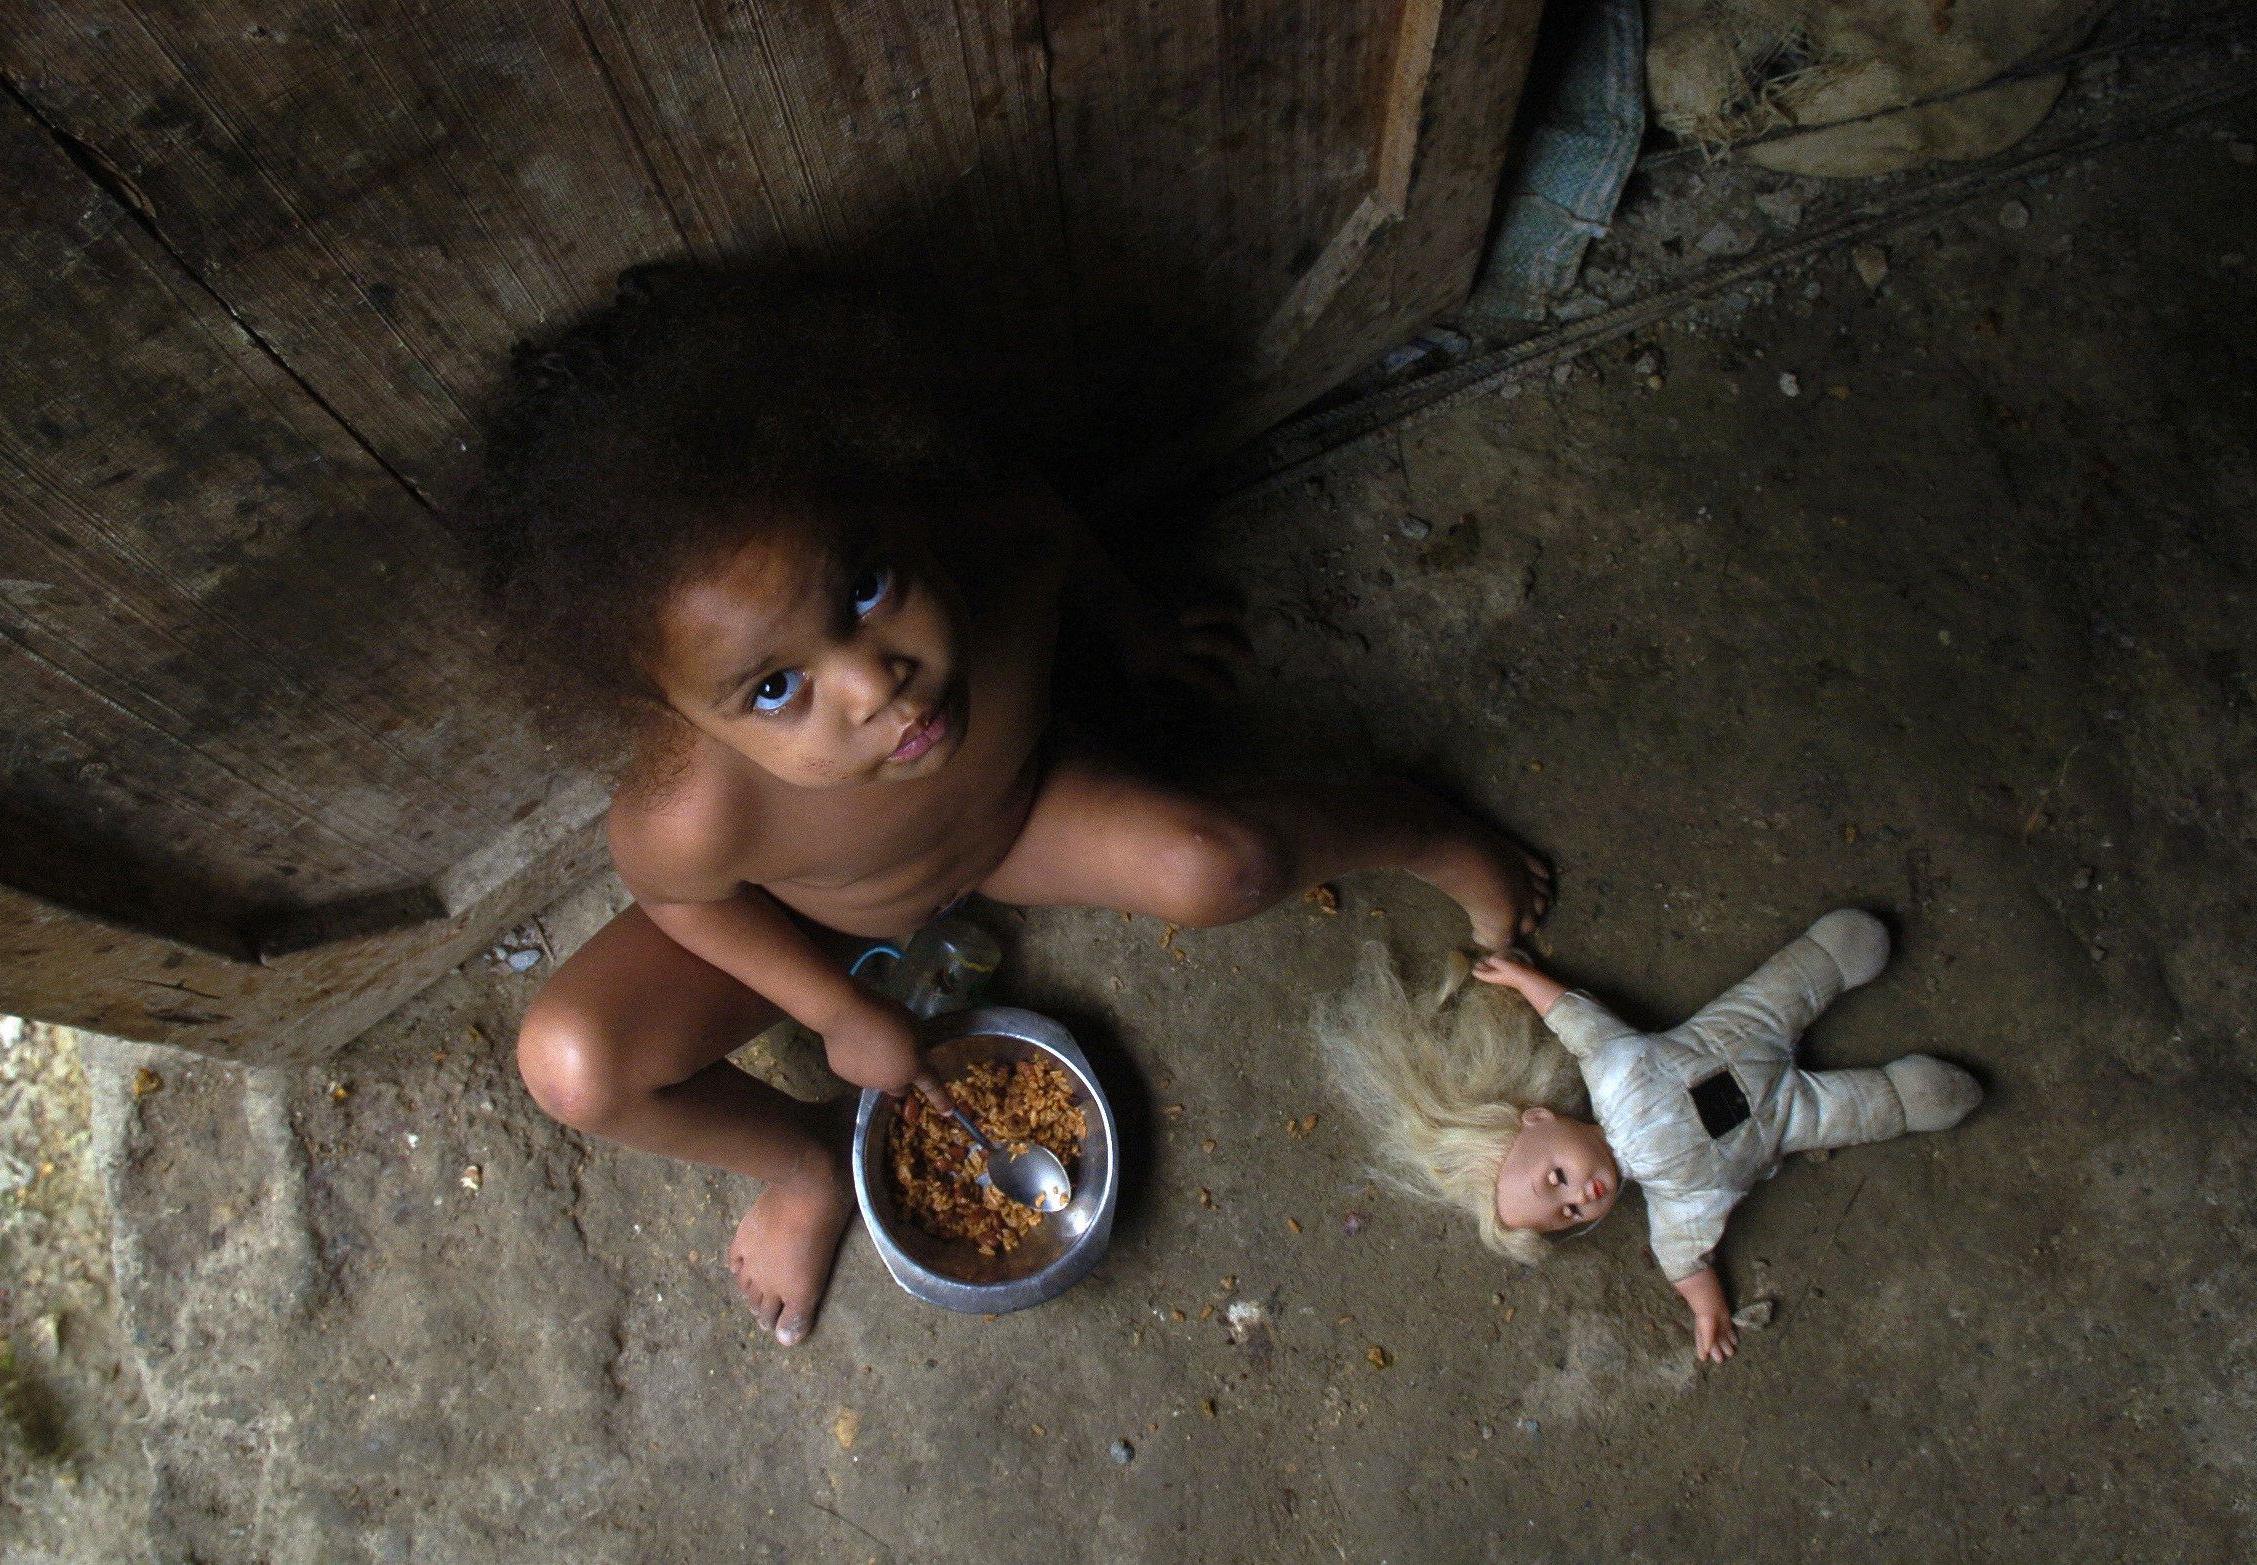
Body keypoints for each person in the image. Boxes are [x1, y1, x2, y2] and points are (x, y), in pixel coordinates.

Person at [461, 266, 1550, 1346]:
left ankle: (1421, 823)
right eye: (774, 688)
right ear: (673, 708)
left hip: (1014, 817)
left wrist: (1138, 632)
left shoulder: (992, 550)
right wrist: (833, 1008)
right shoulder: (691, 810)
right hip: (820, 915)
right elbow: (684, 904)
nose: (873, 682)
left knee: (1224, 866)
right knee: (573, 1065)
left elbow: (1051, 528)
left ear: (884, 501)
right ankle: (805, 1159)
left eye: (865, 586)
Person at [1316, 911, 1982, 1362]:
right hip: (1793, 1116)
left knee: (1783, 986)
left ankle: (1830, 958)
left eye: (1557, 1179)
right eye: (1571, 1211)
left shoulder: (1614, 1072)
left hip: (1738, 1030)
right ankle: (1908, 1094)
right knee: (1857, 1109)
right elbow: (1684, 1261)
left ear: (1540, 1117)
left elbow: (1572, 1018)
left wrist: (1522, 977)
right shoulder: (1674, 1199)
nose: (1582, 1193)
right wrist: (1707, 1309)